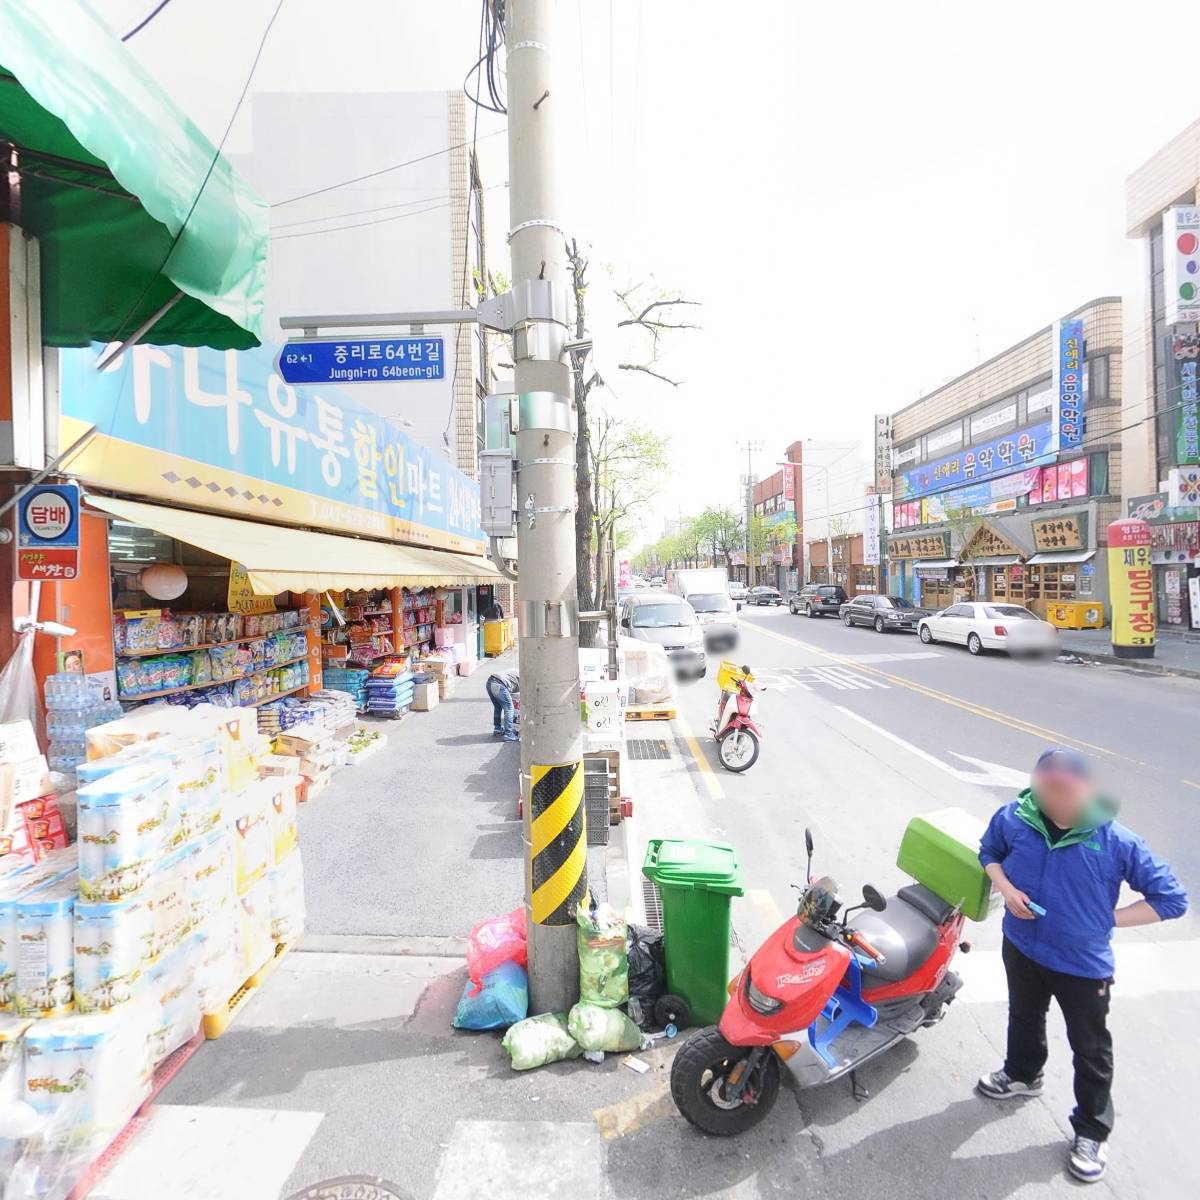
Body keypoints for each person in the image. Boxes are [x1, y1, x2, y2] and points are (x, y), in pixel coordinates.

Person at [976, 747, 1187, 1184]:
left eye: (1065, 792)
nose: (1055, 802)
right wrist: (1006, 889)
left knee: (1090, 1048)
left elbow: (1172, 899)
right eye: (1046, 790)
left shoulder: (1116, 840)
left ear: (1086, 790)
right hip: (1021, 945)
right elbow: (988, 853)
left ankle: (1091, 1130)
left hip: (1082, 965)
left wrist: (1109, 918)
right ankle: (1022, 1074)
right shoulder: (1015, 817)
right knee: (1023, 1015)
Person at [485, 670, 519, 741]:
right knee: (509, 709)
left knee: (498, 706)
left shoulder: (517, 672)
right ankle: (509, 734)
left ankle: (498, 729)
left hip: (490, 682)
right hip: (499, 683)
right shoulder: (525, 678)